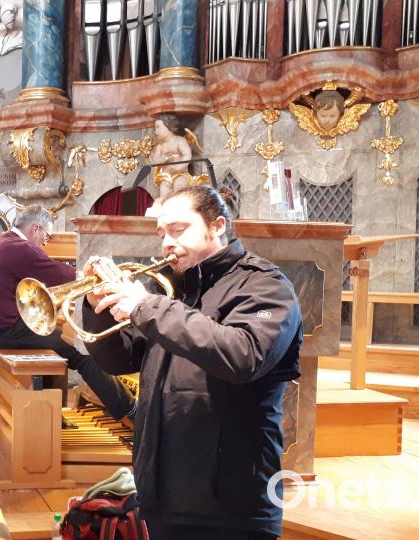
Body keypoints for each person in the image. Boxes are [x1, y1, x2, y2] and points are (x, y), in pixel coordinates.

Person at [81, 186, 302, 540]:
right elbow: (118, 359)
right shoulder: (172, 289)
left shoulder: (265, 285)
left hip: (231, 505)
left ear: (216, 226)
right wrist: (97, 310)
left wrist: (145, 306)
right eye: (161, 233)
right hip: (164, 493)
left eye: (178, 229)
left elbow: (242, 355)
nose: (166, 242)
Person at [0, 205, 136, 421]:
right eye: (46, 237)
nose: (45, 243)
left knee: (61, 338)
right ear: (35, 229)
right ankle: (132, 410)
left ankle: (54, 417)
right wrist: (96, 275)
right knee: (83, 352)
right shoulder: (20, 248)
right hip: (4, 330)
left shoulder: (5, 243)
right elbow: (62, 276)